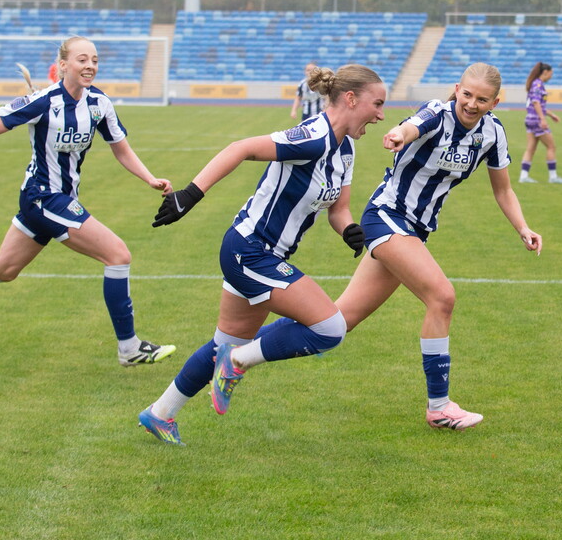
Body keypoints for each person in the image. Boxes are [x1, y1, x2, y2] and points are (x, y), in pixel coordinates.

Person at [138, 64, 386, 445]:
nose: (381, 115)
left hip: (260, 255)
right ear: (351, 99)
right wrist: (190, 195)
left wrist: (349, 231)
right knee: (331, 328)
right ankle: (237, 363)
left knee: (225, 343)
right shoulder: (312, 138)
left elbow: (338, 209)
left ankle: (160, 413)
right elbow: (241, 149)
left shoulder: (346, 149)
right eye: (377, 104)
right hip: (250, 251)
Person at [0, 36, 176, 365]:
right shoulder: (43, 101)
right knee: (118, 255)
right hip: (43, 198)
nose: (90, 65)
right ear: (63, 65)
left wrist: (149, 177)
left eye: (94, 59)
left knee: (4, 269)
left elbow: (120, 147)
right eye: (82, 59)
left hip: (56, 199)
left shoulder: (99, 103)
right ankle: (129, 348)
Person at [317, 62, 541, 431]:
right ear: (457, 88)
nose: (471, 104)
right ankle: (439, 407)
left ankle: (236, 356)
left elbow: (503, 189)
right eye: (466, 94)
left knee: (335, 324)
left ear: (495, 102)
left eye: (482, 99)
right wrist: (398, 133)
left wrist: (523, 227)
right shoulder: (437, 113)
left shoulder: (492, 134)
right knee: (442, 297)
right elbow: (412, 125)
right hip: (387, 216)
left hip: (415, 231)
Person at [518, 62, 562, 184]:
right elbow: (536, 102)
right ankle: (553, 177)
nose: (551, 76)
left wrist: (551, 115)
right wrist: (543, 119)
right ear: (545, 72)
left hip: (530, 119)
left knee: (530, 149)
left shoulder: (535, 84)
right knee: (551, 147)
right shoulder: (538, 84)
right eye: (551, 74)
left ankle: (523, 176)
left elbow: (539, 104)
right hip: (536, 121)